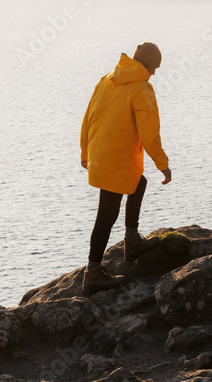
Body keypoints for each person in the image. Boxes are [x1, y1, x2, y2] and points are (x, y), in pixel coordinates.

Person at [79, 42, 172, 294]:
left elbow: (88, 117)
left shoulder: (107, 80)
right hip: (116, 158)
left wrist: (85, 152)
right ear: (148, 65)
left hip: (101, 154)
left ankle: (132, 241)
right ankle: (94, 272)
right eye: (155, 68)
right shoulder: (142, 88)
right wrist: (163, 165)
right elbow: (149, 134)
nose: (154, 74)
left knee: (138, 183)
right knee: (106, 216)